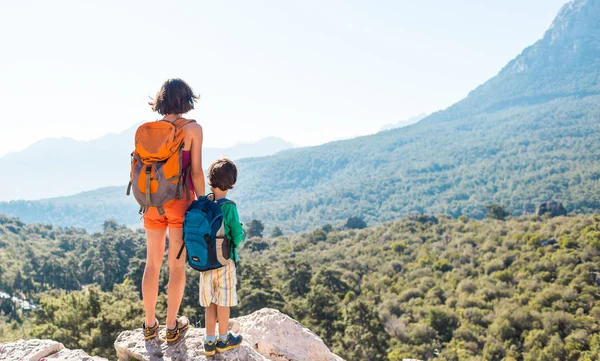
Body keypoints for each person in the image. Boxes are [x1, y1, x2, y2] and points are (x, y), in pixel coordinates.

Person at [141, 78, 205, 342]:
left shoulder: (150, 129)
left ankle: (148, 324)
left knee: (152, 263)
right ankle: (171, 327)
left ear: (162, 100)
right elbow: (197, 171)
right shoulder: (193, 129)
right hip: (180, 202)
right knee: (176, 266)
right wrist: (204, 203)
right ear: (186, 100)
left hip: (152, 202)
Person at [201, 158, 245, 356]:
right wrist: (240, 234)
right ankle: (224, 338)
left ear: (210, 180)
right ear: (231, 182)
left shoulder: (204, 204)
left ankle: (209, 342)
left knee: (209, 302)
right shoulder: (229, 207)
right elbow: (237, 235)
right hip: (225, 262)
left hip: (205, 263)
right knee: (223, 301)